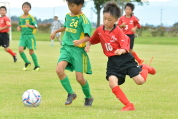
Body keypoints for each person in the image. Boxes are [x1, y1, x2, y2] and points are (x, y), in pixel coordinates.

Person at [85, 1, 156, 111]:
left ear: (116, 20)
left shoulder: (118, 31)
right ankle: (129, 105)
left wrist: (121, 50)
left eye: (109, 20)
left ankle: (144, 68)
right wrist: (88, 44)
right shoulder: (99, 30)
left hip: (125, 59)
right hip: (113, 61)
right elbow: (93, 39)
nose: (106, 21)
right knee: (112, 82)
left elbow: (125, 46)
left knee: (140, 82)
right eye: (104, 18)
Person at [50, 0, 94, 106]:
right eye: (68, 5)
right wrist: (56, 31)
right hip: (66, 48)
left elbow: (88, 37)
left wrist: (80, 41)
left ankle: (89, 97)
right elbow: (66, 27)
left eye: (72, 6)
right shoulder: (67, 16)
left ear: (80, 5)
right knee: (59, 70)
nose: (70, 8)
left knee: (79, 78)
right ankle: (71, 93)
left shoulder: (84, 19)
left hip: (78, 51)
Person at [17, 2, 40, 71]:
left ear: (30, 9)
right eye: (24, 7)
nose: (26, 8)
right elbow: (20, 25)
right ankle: (27, 62)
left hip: (30, 37)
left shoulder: (31, 17)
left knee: (31, 52)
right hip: (23, 36)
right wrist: (19, 27)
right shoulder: (20, 17)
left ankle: (37, 66)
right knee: (20, 50)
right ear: (22, 8)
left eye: (27, 7)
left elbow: (36, 26)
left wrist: (29, 25)